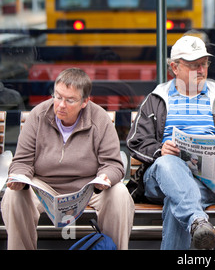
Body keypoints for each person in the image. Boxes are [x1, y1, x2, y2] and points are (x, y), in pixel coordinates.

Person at [126, 34, 215, 250]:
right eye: (193, 65)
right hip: (162, 179)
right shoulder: (156, 100)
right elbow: (136, 142)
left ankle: (196, 222)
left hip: (209, 184)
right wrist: (159, 150)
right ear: (175, 67)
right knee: (168, 163)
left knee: (177, 202)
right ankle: (196, 219)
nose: (201, 70)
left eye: (204, 64)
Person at [1, 68, 135, 249]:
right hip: (43, 186)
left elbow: (113, 164)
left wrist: (105, 177)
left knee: (119, 193)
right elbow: (22, 161)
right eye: (57, 97)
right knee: (13, 195)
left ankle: (109, 247)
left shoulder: (99, 119)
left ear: (85, 101)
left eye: (70, 100)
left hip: (87, 188)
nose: (61, 104)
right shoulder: (38, 115)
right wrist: (18, 176)